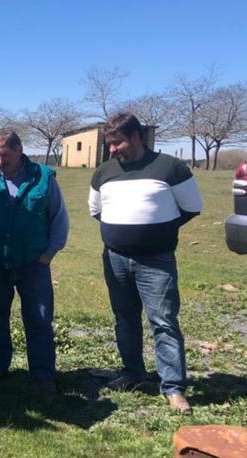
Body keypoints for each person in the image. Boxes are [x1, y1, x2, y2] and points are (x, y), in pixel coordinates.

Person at [88, 112, 203, 413]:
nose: (112, 149)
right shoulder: (104, 172)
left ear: (137, 137)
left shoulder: (169, 167)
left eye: (118, 142)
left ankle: (173, 388)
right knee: (124, 318)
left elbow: (191, 207)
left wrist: (156, 229)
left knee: (163, 322)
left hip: (156, 261)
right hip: (114, 258)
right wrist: (123, 231)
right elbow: (96, 209)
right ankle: (132, 373)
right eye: (108, 143)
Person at [0, 130, 69, 394]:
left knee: (39, 319)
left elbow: (59, 219)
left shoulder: (43, 178)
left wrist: (48, 255)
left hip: (33, 263)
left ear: (20, 150)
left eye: (5, 155)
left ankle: (44, 375)